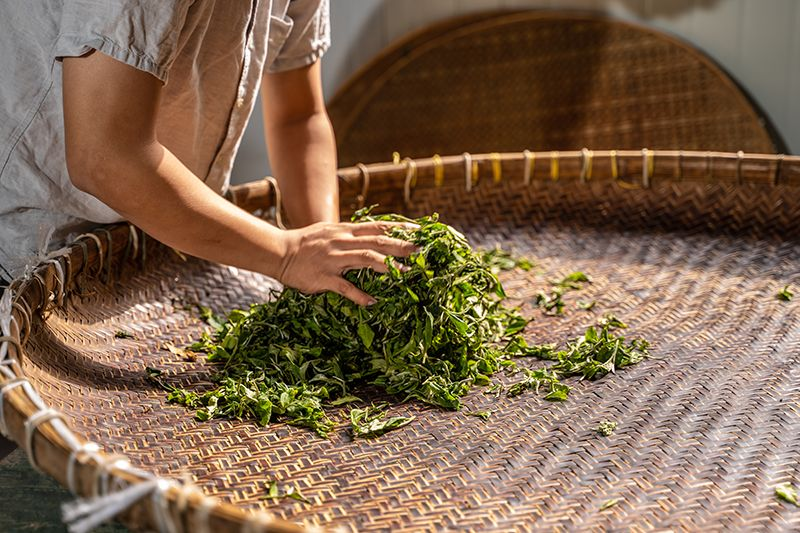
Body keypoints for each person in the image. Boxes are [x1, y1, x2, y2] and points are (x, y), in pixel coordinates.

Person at [0, 0, 416, 306]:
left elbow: (299, 117)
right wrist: (287, 254)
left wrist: (327, 258)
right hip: (24, 255)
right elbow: (105, 157)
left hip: (154, 246)